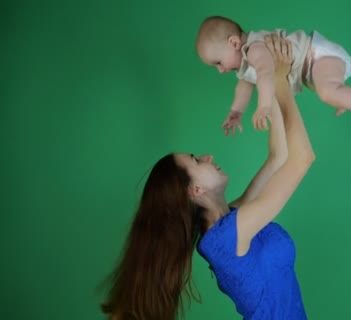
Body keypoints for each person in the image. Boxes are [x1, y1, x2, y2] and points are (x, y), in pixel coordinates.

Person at [100, 34, 315, 320]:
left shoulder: (229, 221)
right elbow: (302, 159)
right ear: (195, 190)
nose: (208, 157)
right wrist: (279, 78)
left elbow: (279, 157)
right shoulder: (227, 237)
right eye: (197, 161)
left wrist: (272, 76)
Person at [195, 15, 351, 139]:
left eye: (218, 63)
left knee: (327, 91)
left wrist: (264, 106)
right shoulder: (245, 64)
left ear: (234, 43)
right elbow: (244, 86)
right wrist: (237, 112)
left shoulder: (254, 49)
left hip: (316, 55)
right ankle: (342, 98)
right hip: (312, 69)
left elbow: (265, 73)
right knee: (328, 91)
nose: (220, 70)